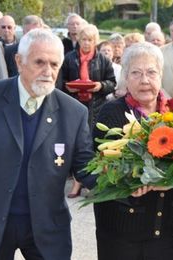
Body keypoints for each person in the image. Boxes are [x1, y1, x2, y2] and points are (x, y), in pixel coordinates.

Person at [0, 28, 95, 260]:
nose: (48, 72)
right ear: (19, 62)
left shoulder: (74, 112)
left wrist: (127, 178)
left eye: (54, 64)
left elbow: (85, 167)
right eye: (39, 62)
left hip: (48, 228)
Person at [92, 42, 173, 260]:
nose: (144, 80)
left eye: (151, 72)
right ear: (125, 76)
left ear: (161, 74)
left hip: (166, 231)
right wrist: (128, 184)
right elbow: (102, 166)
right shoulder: (110, 113)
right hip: (122, 232)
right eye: (136, 72)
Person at [59, 24, 116, 198]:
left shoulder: (103, 60)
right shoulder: (69, 58)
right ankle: (76, 184)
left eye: (90, 40)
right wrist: (70, 88)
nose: (86, 43)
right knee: (75, 144)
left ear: (95, 41)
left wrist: (100, 85)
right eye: (83, 39)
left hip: (96, 108)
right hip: (74, 106)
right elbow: (60, 83)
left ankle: (92, 183)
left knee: (92, 145)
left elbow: (112, 83)